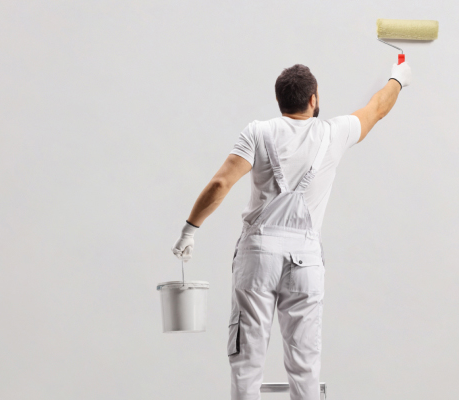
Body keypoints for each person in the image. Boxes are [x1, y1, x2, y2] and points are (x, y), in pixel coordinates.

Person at [171, 61, 410, 400]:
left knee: (247, 363)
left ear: (280, 101)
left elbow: (221, 182)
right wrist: (398, 77)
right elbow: (377, 108)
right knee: (305, 365)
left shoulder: (259, 132)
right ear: (313, 99)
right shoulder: (334, 132)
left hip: (258, 259)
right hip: (306, 261)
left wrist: (189, 229)